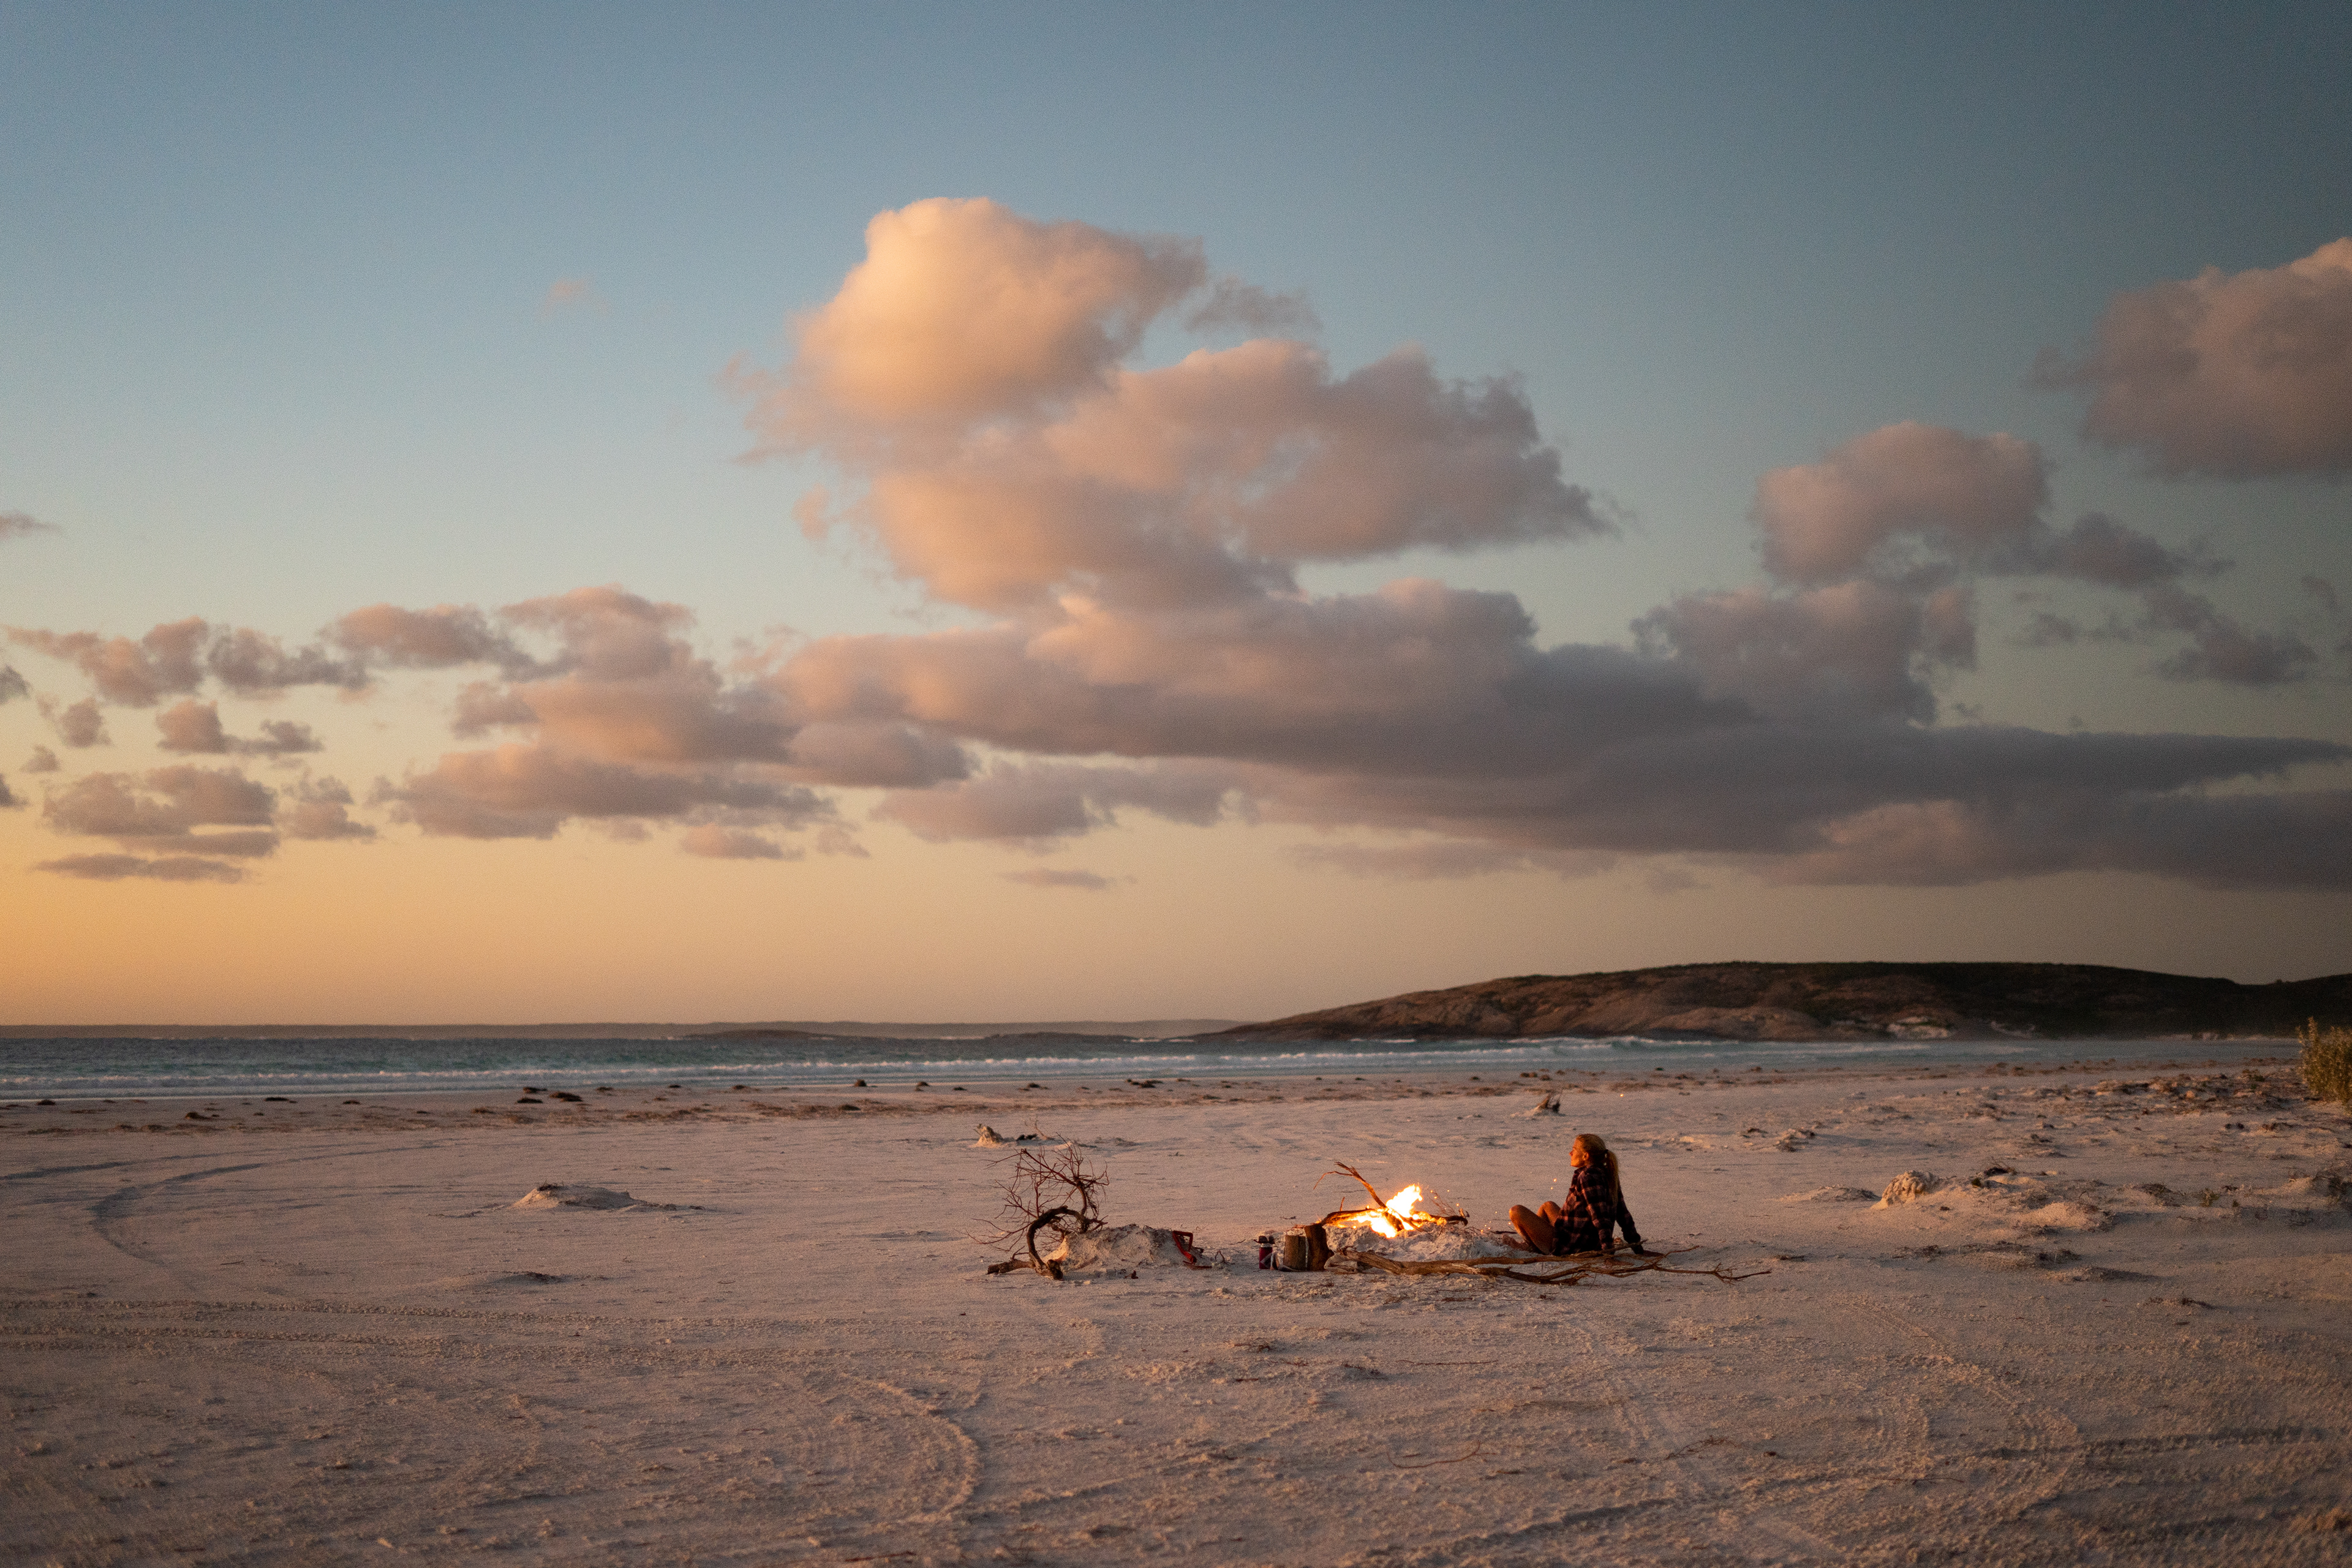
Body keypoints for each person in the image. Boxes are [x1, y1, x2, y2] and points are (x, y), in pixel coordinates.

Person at [1510, 1133, 1648, 1256]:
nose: (1570, 1153)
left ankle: (1540, 1249)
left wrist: (1608, 1253)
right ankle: (1536, 1245)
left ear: (1586, 1156)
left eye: (1574, 1150)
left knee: (1516, 1211)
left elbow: (1600, 1218)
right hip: (1575, 1236)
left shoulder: (1588, 1177)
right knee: (1548, 1206)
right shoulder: (1607, 1173)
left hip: (1574, 1246)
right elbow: (1623, 1214)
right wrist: (1638, 1248)